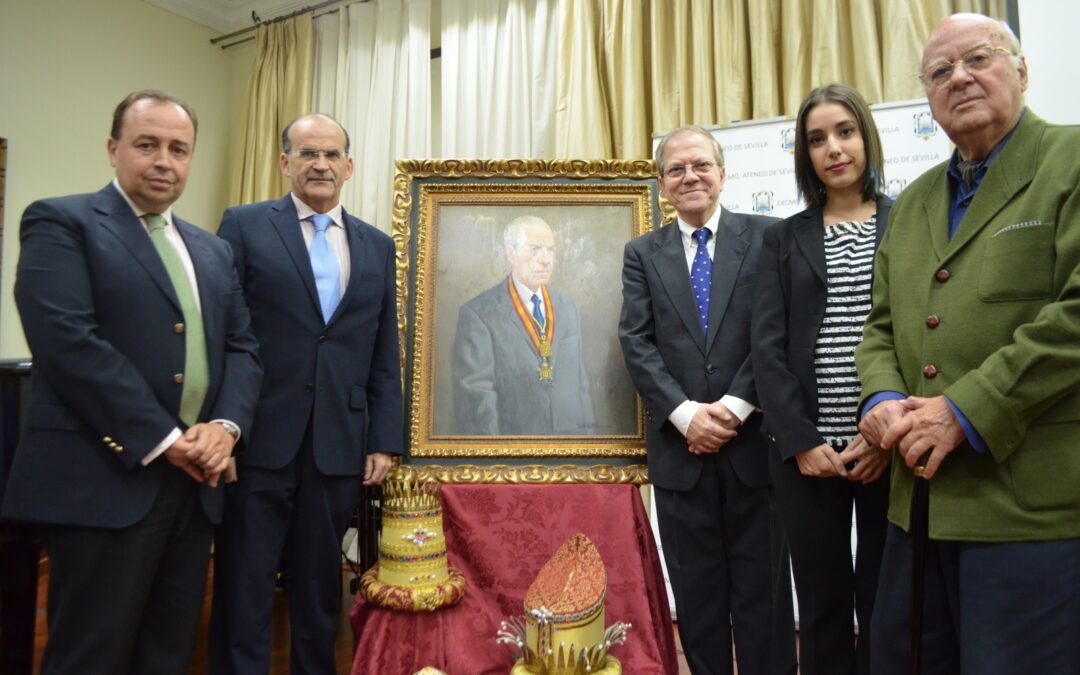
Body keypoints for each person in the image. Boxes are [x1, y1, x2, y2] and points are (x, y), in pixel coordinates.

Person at [0, 90, 262, 674]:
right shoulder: (60, 221)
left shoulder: (212, 250)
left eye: (178, 148)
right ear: (114, 149)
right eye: (147, 145)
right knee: (89, 656)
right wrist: (167, 440)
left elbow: (243, 348)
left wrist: (225, 427)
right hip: (106, 478)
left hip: (197, 487)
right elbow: (68, 343)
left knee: (167, 652)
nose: (163, 160)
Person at [855, 13, 1080, 674]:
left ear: (1021, 68)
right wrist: (883, 395)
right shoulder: (915, 200)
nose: (960, 78)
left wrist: (966, 407)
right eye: (940, 72)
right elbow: (880, 325)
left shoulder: (1070, 160)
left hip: (1031, 514)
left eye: (977, 59)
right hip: (917, 507)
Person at [210, 113, 403, 675]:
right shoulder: (245, 226)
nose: (320, 164)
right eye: (307, 153)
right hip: (259, 437)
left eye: (331, 154)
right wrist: (227, 423)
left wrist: (383, 439)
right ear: (284, 162)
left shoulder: (377, 245)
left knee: (322, 585)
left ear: (349, 165)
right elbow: (225, 334)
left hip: (338, 444)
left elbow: (382, 350)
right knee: (245, 581)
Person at [619, 126, 796, 675]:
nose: (689, 176)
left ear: (723, 173)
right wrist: (688, 414)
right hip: (681, 458)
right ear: (661, 184)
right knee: (696, 605)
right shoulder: (642, 253)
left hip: (756, 453)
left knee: (763, 603)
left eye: (701, 165)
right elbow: (636, 340)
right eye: (676, 169)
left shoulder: (769, 237)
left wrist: (735, 406)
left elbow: (776, 331)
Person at [752, 84, 891, 675]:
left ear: (866, 137)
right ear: (804, 155)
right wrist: (801, 440)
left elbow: (923, 335)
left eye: (845, 131)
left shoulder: (908, 222)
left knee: (888, 601)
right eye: (816, 139)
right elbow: (767, 347)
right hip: (809, 455)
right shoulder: (783, 238)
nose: (833, 148)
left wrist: (889, 430)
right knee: (824, 602)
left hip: (890, 443)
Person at [452, 215, 594, 435]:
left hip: (570, 453)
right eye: (535, 249)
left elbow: (580, 387)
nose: (545, 260)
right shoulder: (478, 314)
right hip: (513, 456)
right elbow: (477, 400)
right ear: (511, 253)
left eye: (550, 250)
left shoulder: (568, 308)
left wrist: (588, 454)